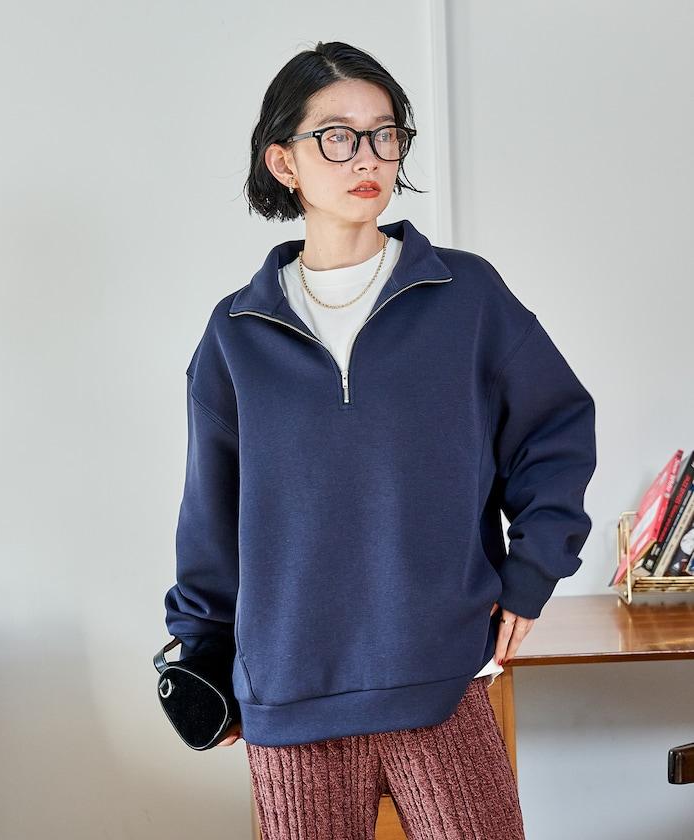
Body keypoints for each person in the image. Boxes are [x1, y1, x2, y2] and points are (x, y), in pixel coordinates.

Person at [163, 40, 597, 840]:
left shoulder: (466, 296)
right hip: (289, 692)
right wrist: (199, 648)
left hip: (441, 675)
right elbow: (211, 515)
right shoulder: (235, 333)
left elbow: (556, 428)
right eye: (336, 135)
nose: (367, 157)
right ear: (284, 162)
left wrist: (532, 571)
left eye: (384, 134)